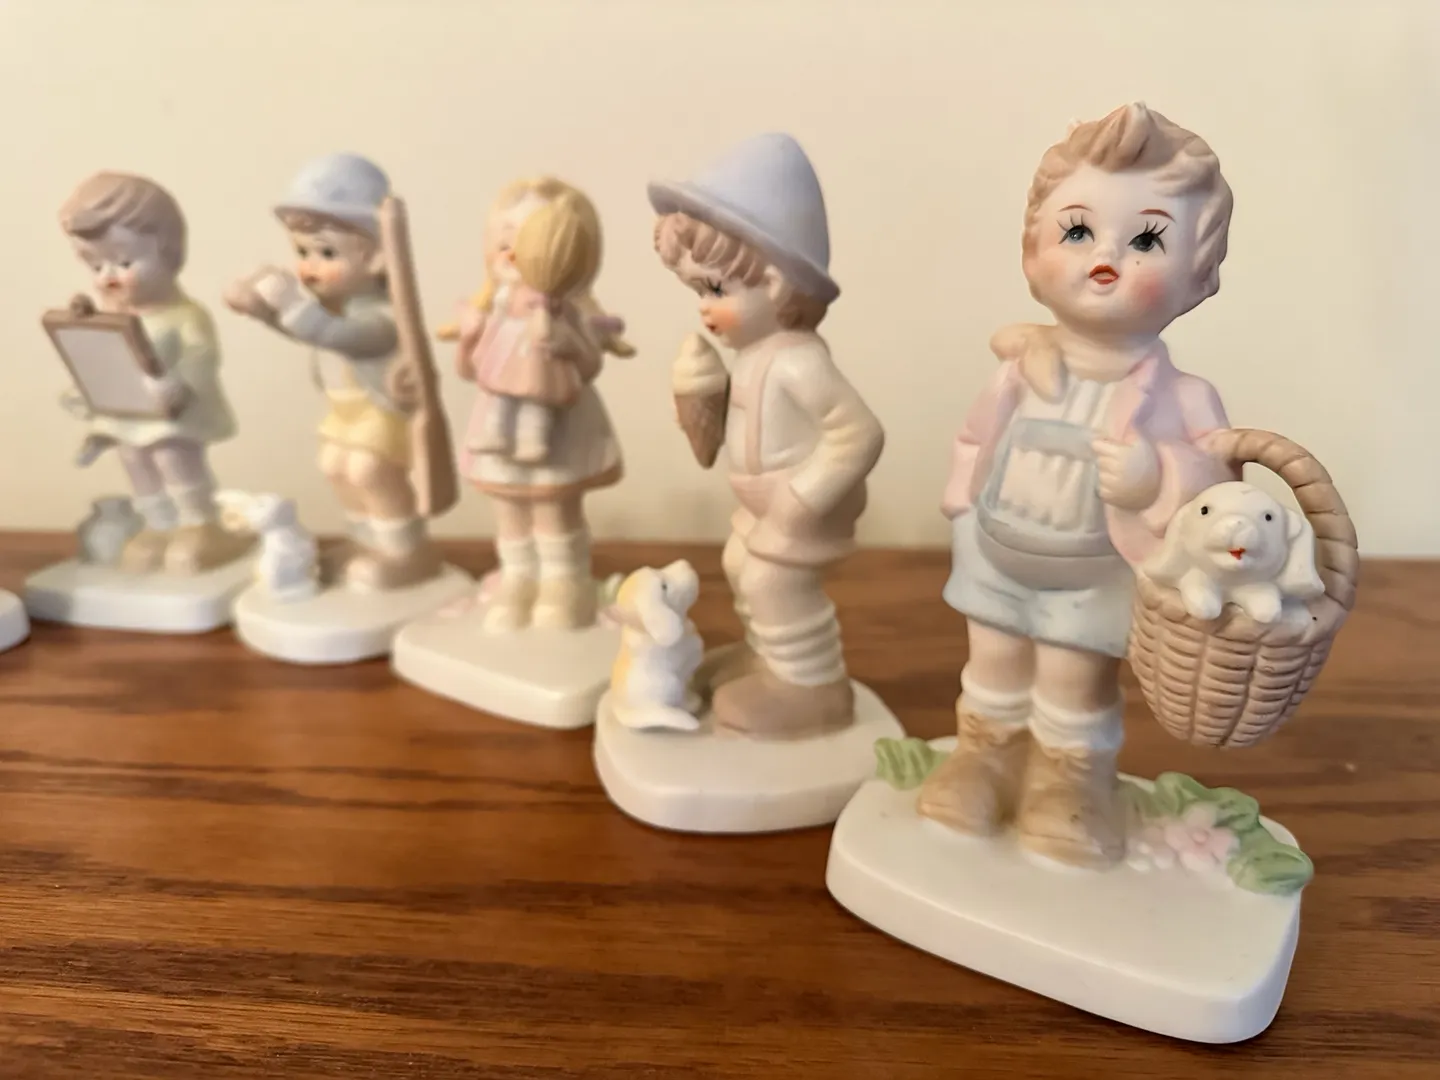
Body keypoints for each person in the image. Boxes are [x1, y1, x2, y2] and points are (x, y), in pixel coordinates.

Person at [920, 103, 1236, 868]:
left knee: (1072, 678)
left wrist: (1157, 475)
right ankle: (984, 756)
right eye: (1077, 232)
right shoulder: (1019, 368)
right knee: (992, 661)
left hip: (1095, 573)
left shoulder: (1184, 399)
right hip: (997, 550)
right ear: (1032, 256)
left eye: (1147, 240)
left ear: (1198, 276)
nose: (1106, 258)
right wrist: (961, 506)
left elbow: (1220, 497)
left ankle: (1068, 779)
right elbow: (976, 437)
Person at [650, 133, 885, 739]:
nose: (704, 307)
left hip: (799, 506)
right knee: (740, 566)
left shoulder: (799, 361)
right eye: (697, 290)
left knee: (771, 583)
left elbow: (858, 433)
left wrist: (801, 501)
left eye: (715, 289)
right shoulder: (755, 355)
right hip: (761, 505)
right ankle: (772, 663)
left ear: (776, 285)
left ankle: (813, 686)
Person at [224, 153, 444, 590]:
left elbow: (337, 336)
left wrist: (290, 304)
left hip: (380, 412)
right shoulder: (332, 309)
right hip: (346, 413)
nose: (309, 265)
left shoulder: (383, 317)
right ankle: (365, 540)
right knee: (334, 465)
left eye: (326, 252)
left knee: (368, 470)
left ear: (377, 257)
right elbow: (312, 333)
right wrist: (263, 312)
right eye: (302, 252)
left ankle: (404, 549)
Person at [59, 172, 248, 574]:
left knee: (170, 457)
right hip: (129, 413)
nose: (108, 276)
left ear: (169, 253)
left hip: (171, 415)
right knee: (133, 458)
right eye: (96, 265)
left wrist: (180, 385)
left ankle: (198, 521)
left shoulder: (184, 316)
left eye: (124, 262)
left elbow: (201, 358)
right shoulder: (113, 317)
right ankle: (159, 523)